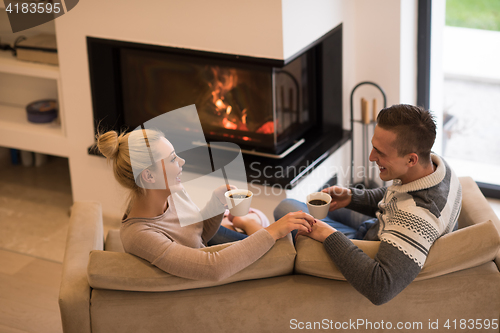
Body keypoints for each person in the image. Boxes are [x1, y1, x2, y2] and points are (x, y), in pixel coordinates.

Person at [274, 104, 462, 305]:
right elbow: (398, 196)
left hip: (367, 244)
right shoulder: (437, 167)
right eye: (374, 146)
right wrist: (352, 197)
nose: (372, 157)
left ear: (411, 159)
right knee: (297, 207)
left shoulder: (418, 218)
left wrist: (328, 235)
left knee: (286, 208)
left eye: (380, 153)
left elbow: (380, 287)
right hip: (379, 226)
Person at [97, 128, 315, 281]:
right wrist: (273, 231)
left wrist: (217, 204)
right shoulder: (140, 235)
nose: (181, 162)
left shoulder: (168, 191)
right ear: (149, 176)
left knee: (284, 235)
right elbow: (214, 268)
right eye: (173, 159)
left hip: (205, 252)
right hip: (209, 278)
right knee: (285, 246)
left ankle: (246, 222)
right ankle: (249, 223)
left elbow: (197, 237)